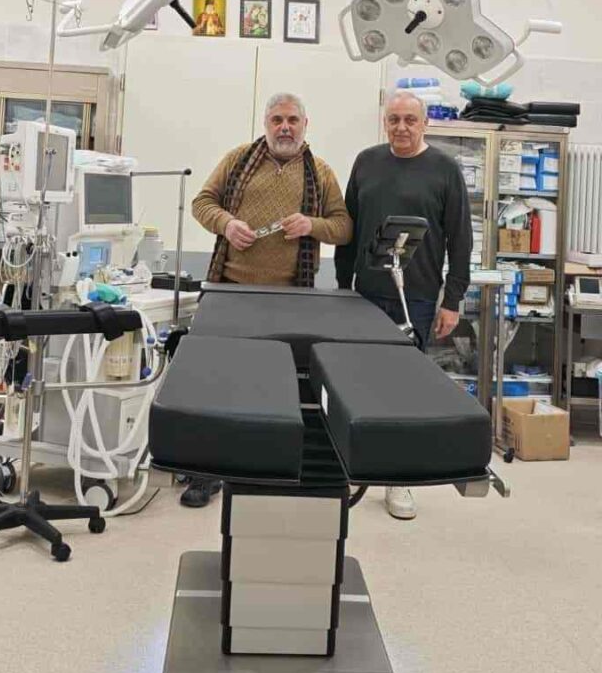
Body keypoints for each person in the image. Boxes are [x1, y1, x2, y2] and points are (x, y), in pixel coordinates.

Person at [183, 92, 353, 507]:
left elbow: (344, 227)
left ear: (305, 125)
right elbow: (201, 203)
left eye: (292, 120)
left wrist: (311, 224)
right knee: (218, 383)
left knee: (275, 389)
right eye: (277, 119)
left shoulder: (321, 173)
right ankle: (207, 472)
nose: (285, 127)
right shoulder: (237, 159)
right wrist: (226, 224)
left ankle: (264, 465)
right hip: (231, 291)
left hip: (291, 300)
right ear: (266, 123)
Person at [335, 90, 472, 522]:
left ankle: (398, 478)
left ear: (424, 123)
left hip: (417, 295)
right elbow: (349, 229)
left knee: (403, 388)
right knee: (358, 383)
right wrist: (342, 285)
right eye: (394, 119)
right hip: (364, 292)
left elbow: (461, 240)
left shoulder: (445, 170)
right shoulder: (366, 162)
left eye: (410, 120)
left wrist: (452, 299)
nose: (401, 127)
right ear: (385, 122)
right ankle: (357, 465)